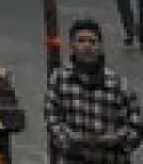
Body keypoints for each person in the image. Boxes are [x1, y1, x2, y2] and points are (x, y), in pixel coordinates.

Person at [45, 17, 143, 164]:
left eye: (92, 41)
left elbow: (135, 125)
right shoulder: (59, 80)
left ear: (101, 46)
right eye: (81, 41)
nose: (87, 46)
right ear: (72, 45)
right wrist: (72, 141)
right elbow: (52, 120)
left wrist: (116, 139)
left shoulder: (119, 84)